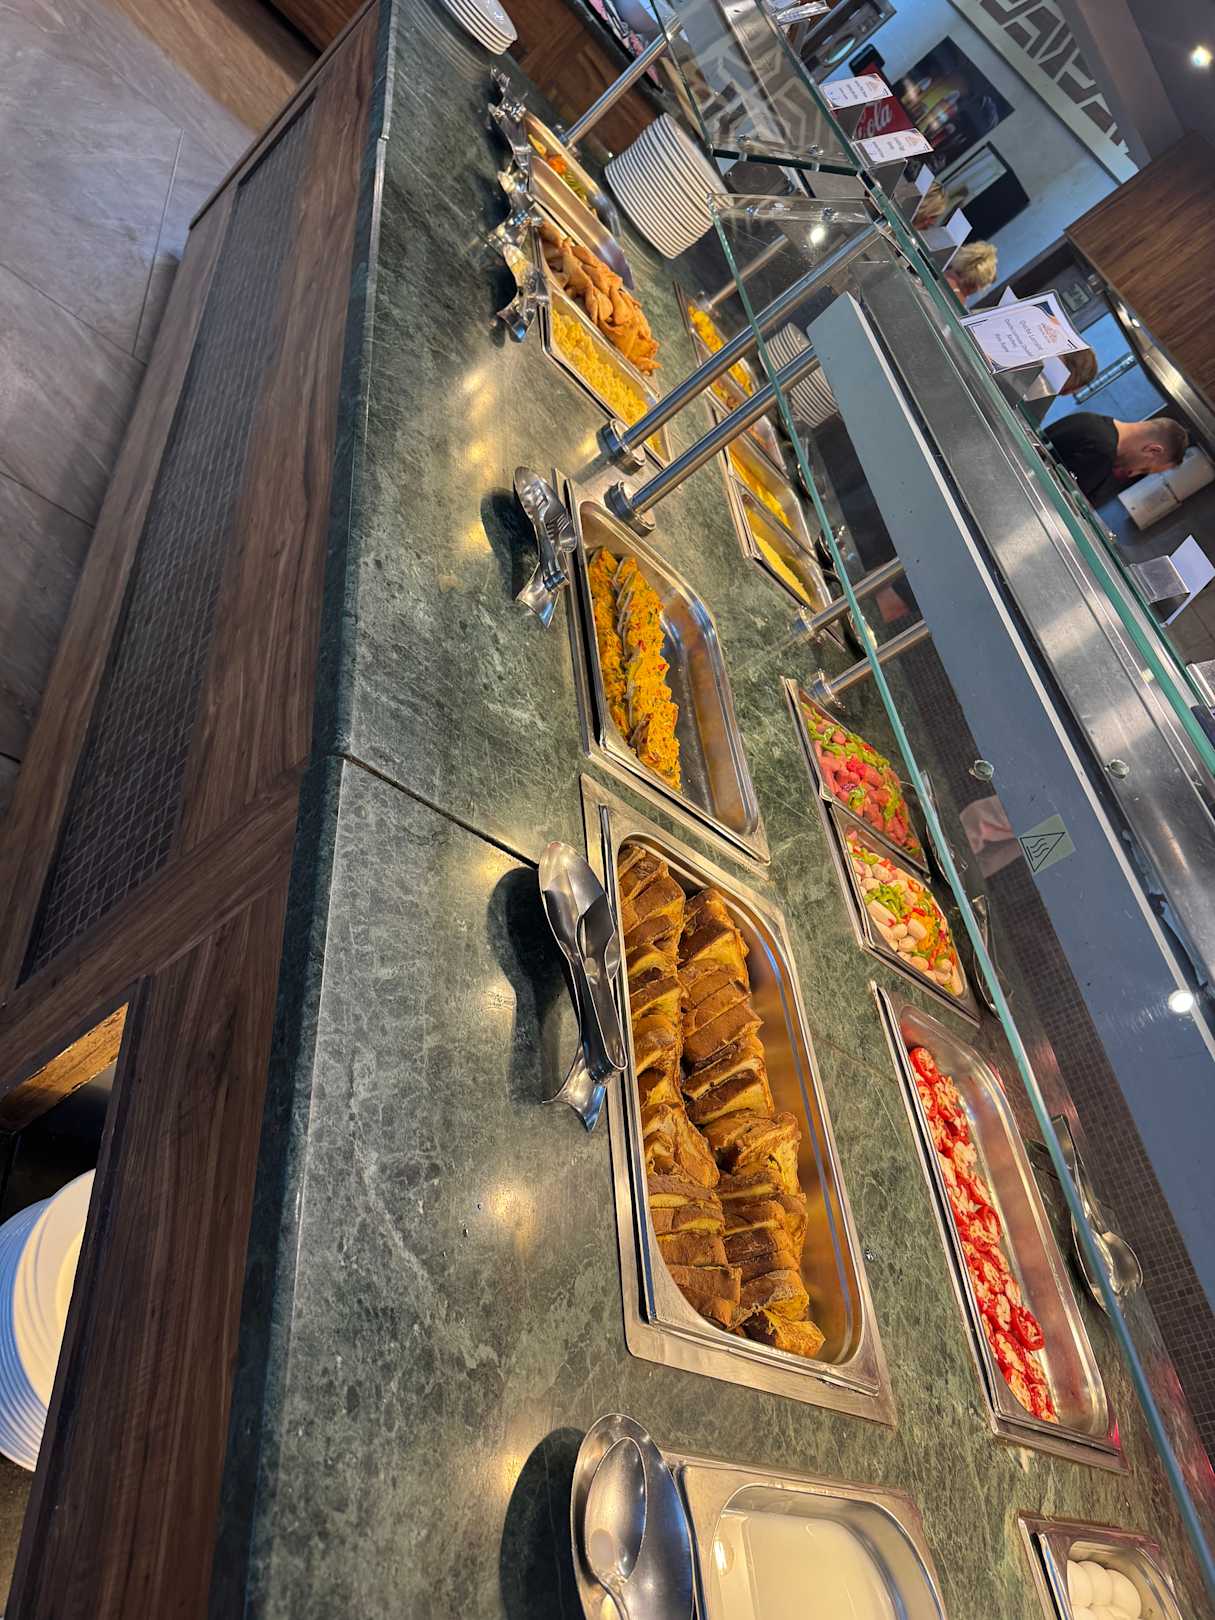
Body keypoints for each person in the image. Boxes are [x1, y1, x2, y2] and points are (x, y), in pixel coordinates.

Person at [1044, 413, 1189, 503]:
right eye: (1144, 469)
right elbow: (1056, 500)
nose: (1132, 473)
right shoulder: (1103, 451)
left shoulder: (1094, 420)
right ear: (1153, 450)